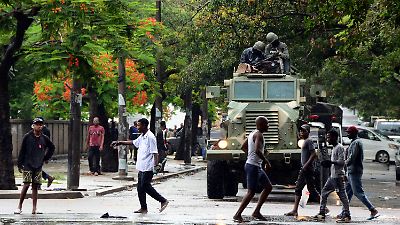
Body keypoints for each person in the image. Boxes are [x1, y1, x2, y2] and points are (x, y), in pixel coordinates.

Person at [111, 118, 169, 213]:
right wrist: (120, 142)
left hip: (148, 167)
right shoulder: (142, 136)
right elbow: (134, 142)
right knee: (140, 188)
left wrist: (155, 166)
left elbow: (155, 153)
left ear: (144, 126)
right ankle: (143, 208)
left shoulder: (150, 137)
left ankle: (163, 200)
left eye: (139, 125)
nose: (137, 127)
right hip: (141, 166)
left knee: (145, 186)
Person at [233, 116, 273, 223]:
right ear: (261, 125)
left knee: (268, 187)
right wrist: (266, 161)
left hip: (255, 165)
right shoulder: (258, 134)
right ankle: (237, 215)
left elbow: (243, 147)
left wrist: (250, 156)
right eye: (267, 124)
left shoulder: (252, 133)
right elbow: (256, 150)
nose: (268, 126)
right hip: (253, 166)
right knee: (251, 192)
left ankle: (256, 211)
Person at [15, 117, 55, 214]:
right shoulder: (27, 136)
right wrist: (20, 164)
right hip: (28, 164)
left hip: (38, 165)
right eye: (37, 124)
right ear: (33, 126)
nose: (39, 126)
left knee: (35, 186)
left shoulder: (44, 138)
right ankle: (19, 206)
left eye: (40, 124)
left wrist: (46, 158)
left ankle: (34, 208)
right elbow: (22, 150)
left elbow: (52, 147)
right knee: (26, 184)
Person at [338, 126, 379, 220]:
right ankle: (344, 212)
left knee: (358, 192)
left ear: (354, 133)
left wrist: (343, 163)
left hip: (355, 171)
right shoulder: (354, 142)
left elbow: (352, 157)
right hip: (351, 171)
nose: (347, 134)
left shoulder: (356, 142)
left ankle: (372, 209)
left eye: (349, 133)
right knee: (347, 193)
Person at [313, 129, 351, 223]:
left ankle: (347, 215)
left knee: (342, 195)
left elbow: (342, 162)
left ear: (334, 137)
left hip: (338, 176)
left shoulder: (340, 147)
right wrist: (329, 163)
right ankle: (322, 213)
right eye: (327, 137)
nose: (327, 139)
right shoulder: (334, 148)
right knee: (324, 192)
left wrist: (331, 162)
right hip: (332, 176)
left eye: (329, 137)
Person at [284, 124, 322, 217]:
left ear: (308, 132)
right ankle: (295, 210)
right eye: (300, 131)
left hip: (307, 169)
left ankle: (323, 207)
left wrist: (305, 166)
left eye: (303, 131)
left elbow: (313, 154)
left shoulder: (309, 141)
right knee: (307, 189)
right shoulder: (305, 141)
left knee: (303, 189)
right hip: (306, 168)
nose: (301, 132)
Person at [37, 117, 55, 188]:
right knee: (35, 168)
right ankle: (47, 177)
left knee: (36, 168)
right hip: (37, 151)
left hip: (41, 151)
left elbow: (48, 144)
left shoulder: (45, 131)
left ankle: (38, 184)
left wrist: (47, 156)